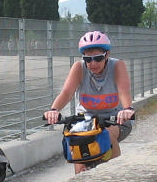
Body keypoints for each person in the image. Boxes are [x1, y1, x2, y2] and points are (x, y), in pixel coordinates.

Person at [44, 31, 136, 174]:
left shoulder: (117, 66)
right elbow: (67, 93)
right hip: (86, 121)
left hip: (115, 120)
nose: (93, 63)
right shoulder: (79, 68)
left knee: (105, 134)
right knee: (77, 144)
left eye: (98, 58)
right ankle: (80, 180)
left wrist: (127, 109)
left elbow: (124, 92)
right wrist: (54, 110)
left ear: (107, 55)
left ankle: (116, 174)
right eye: (88, 59)